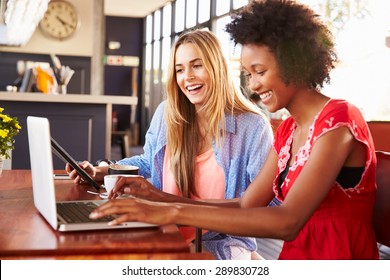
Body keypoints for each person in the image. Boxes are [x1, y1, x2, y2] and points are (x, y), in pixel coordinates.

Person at [88, 0, 380, 260]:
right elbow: (246, 203)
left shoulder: (339, 119)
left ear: (296, 63)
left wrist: (174, 211)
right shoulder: (289, 129)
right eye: (248, 74)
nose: (252, 85)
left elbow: (287, 222)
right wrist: (160, 198)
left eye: (260, 72)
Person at [67, 29, 274, 260]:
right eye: (180, 69)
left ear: (218, 67)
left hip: (219, 243)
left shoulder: (252, 126)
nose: (188, 77)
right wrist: (100, 171)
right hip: (163, 231)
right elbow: (146, 162)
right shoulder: (167, 113)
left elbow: (264, 205)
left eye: (197, 65)